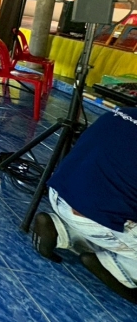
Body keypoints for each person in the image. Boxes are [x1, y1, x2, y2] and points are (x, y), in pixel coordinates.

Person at [32, 108, 137, 303]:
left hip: (59, 194)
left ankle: (62, 231)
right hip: (96, 216)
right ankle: (118, 269)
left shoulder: (122, 112)